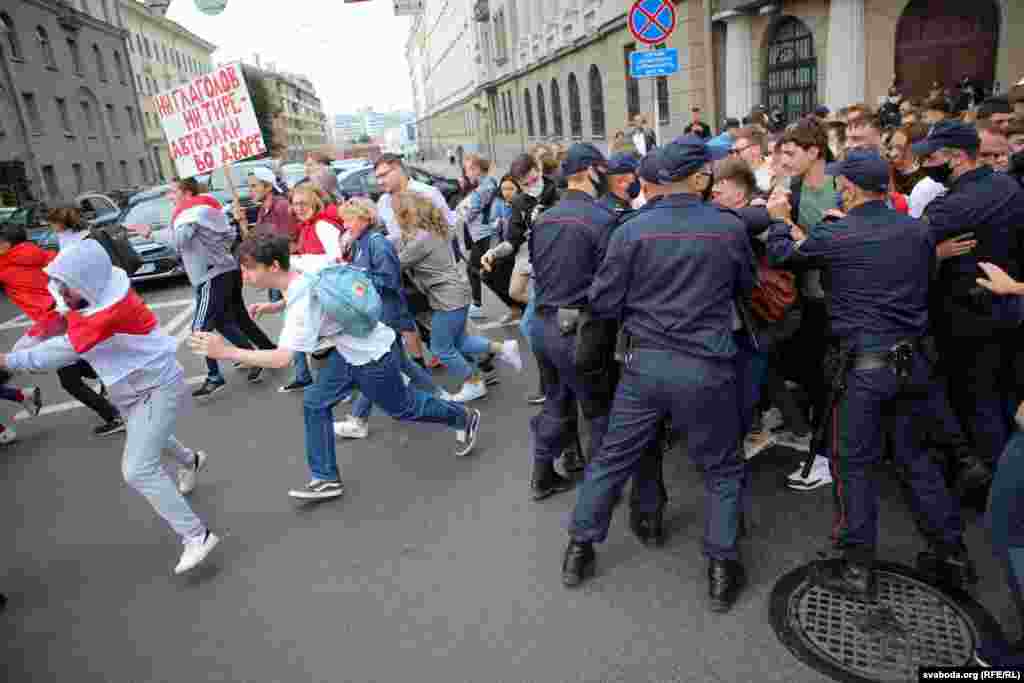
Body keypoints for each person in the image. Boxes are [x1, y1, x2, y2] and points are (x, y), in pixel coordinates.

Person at [765, 149, 971, 600]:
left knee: (852, 465)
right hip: (912, 364)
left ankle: (856, 565)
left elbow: (784, 255)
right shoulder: (917, 230)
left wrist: (779, 218)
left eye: (842, 183)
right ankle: (951, 553)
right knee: (916, 460)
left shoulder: (839, 233)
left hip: (863, 370)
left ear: (852, 188)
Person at [562, 139, 754, 614]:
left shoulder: (633, 231)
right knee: (722, 468)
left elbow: (604, 302)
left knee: (611, 460)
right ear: (697, 178)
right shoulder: (726, 228)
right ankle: (721, 569)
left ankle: (579, 551)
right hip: (707, 366)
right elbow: (745, 284)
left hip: (645, 366)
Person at [188, 233, 483, 500]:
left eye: (250, 268)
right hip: (350, 351)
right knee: (315, 402)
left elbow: (281, 359)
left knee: (404, 408)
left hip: (372, 356)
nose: (244, 275)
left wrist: (226, 351)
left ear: (274, 267)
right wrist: (274, 306)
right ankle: (325, 478)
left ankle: (464, 418)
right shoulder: (302, 265)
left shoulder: (303, 300)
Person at [3, 240, 218, 575]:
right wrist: (24, 342)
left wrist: (9, 359)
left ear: (85, 281)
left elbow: (63, 349)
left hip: (155, 387)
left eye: (65, 285)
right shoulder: (93, 290)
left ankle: (197, 535)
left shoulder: (109, 309)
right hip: (131, 386)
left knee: (138, 468)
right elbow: (55, 320)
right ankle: (191, 460)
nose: (61, 291)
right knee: (146, 437)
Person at [915, 121, 1024, 475]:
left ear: (958, 158)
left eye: (931, 157)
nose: (926, 164)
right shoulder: (1008, 186)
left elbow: (909, 243)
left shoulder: (953, 205)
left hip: (966, 317)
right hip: (1008, 310)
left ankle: (993, 483)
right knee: (1001, 399)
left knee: (976, 402)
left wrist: (936, 253)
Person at [129, 178, 275, 397]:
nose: (169, 197)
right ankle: (264, 354)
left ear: (187, 193)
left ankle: (215, 377)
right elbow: (228, 235)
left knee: (200, 330)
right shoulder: (206, 207)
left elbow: (179, 240)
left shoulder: (191, 214)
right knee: (229, 321)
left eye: (172, 192)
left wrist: (150, 233)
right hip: (224, 270)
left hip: (212, 276)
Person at [391, 192, 522, 403]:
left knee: (440, 348)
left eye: (397, 213)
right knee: (461, 341)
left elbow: (396, 263)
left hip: (448, 299)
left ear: (407, 215)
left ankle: (474, 382)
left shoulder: (420, 241)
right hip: (456, 294)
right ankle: (504, 348)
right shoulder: (433, 231)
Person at [0, 220, 124, 436]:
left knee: (68, 379)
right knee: (76, 362)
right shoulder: (41, 253)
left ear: (6, 244)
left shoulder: (4, 265)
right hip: (67, 313)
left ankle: (114, 415)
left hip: (52, 322)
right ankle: (110, 379)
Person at [331, 198, 442, 439]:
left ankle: (359, 420)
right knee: (400, 363)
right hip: (379, 312)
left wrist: (358, 279)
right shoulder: (362, 242)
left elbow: (389, 281)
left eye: (349, 219)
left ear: (364, 218)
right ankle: (441, 397)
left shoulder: (376, 243)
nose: (345, 224)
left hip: (386, 313)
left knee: (375, 365)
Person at [885, 123, 930, 195]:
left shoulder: (926, 182)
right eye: (891, 147)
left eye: (900, 148)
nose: (892, 154)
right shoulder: (886, 170)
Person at [731, 128, 773, 194]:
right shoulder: (732, 172)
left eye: (738, 151)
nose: (734, 156)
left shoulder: (776, 168)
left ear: (755, 149)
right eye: (731, 152)